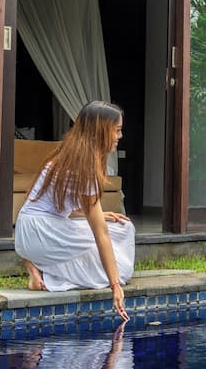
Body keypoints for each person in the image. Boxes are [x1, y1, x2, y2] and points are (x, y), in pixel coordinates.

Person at [15, 100, 135, 319]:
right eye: (117, 130)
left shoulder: (68, 155)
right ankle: (45, 273)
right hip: (43, 232)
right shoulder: (84, 166)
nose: (120, 136)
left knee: (124, 228)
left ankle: (35, 264)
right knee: (122, 270)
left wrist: (100, 215)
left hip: (29, 230)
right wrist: (115, 285)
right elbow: (101, 234)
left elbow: (58, 205)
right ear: (101, 131)